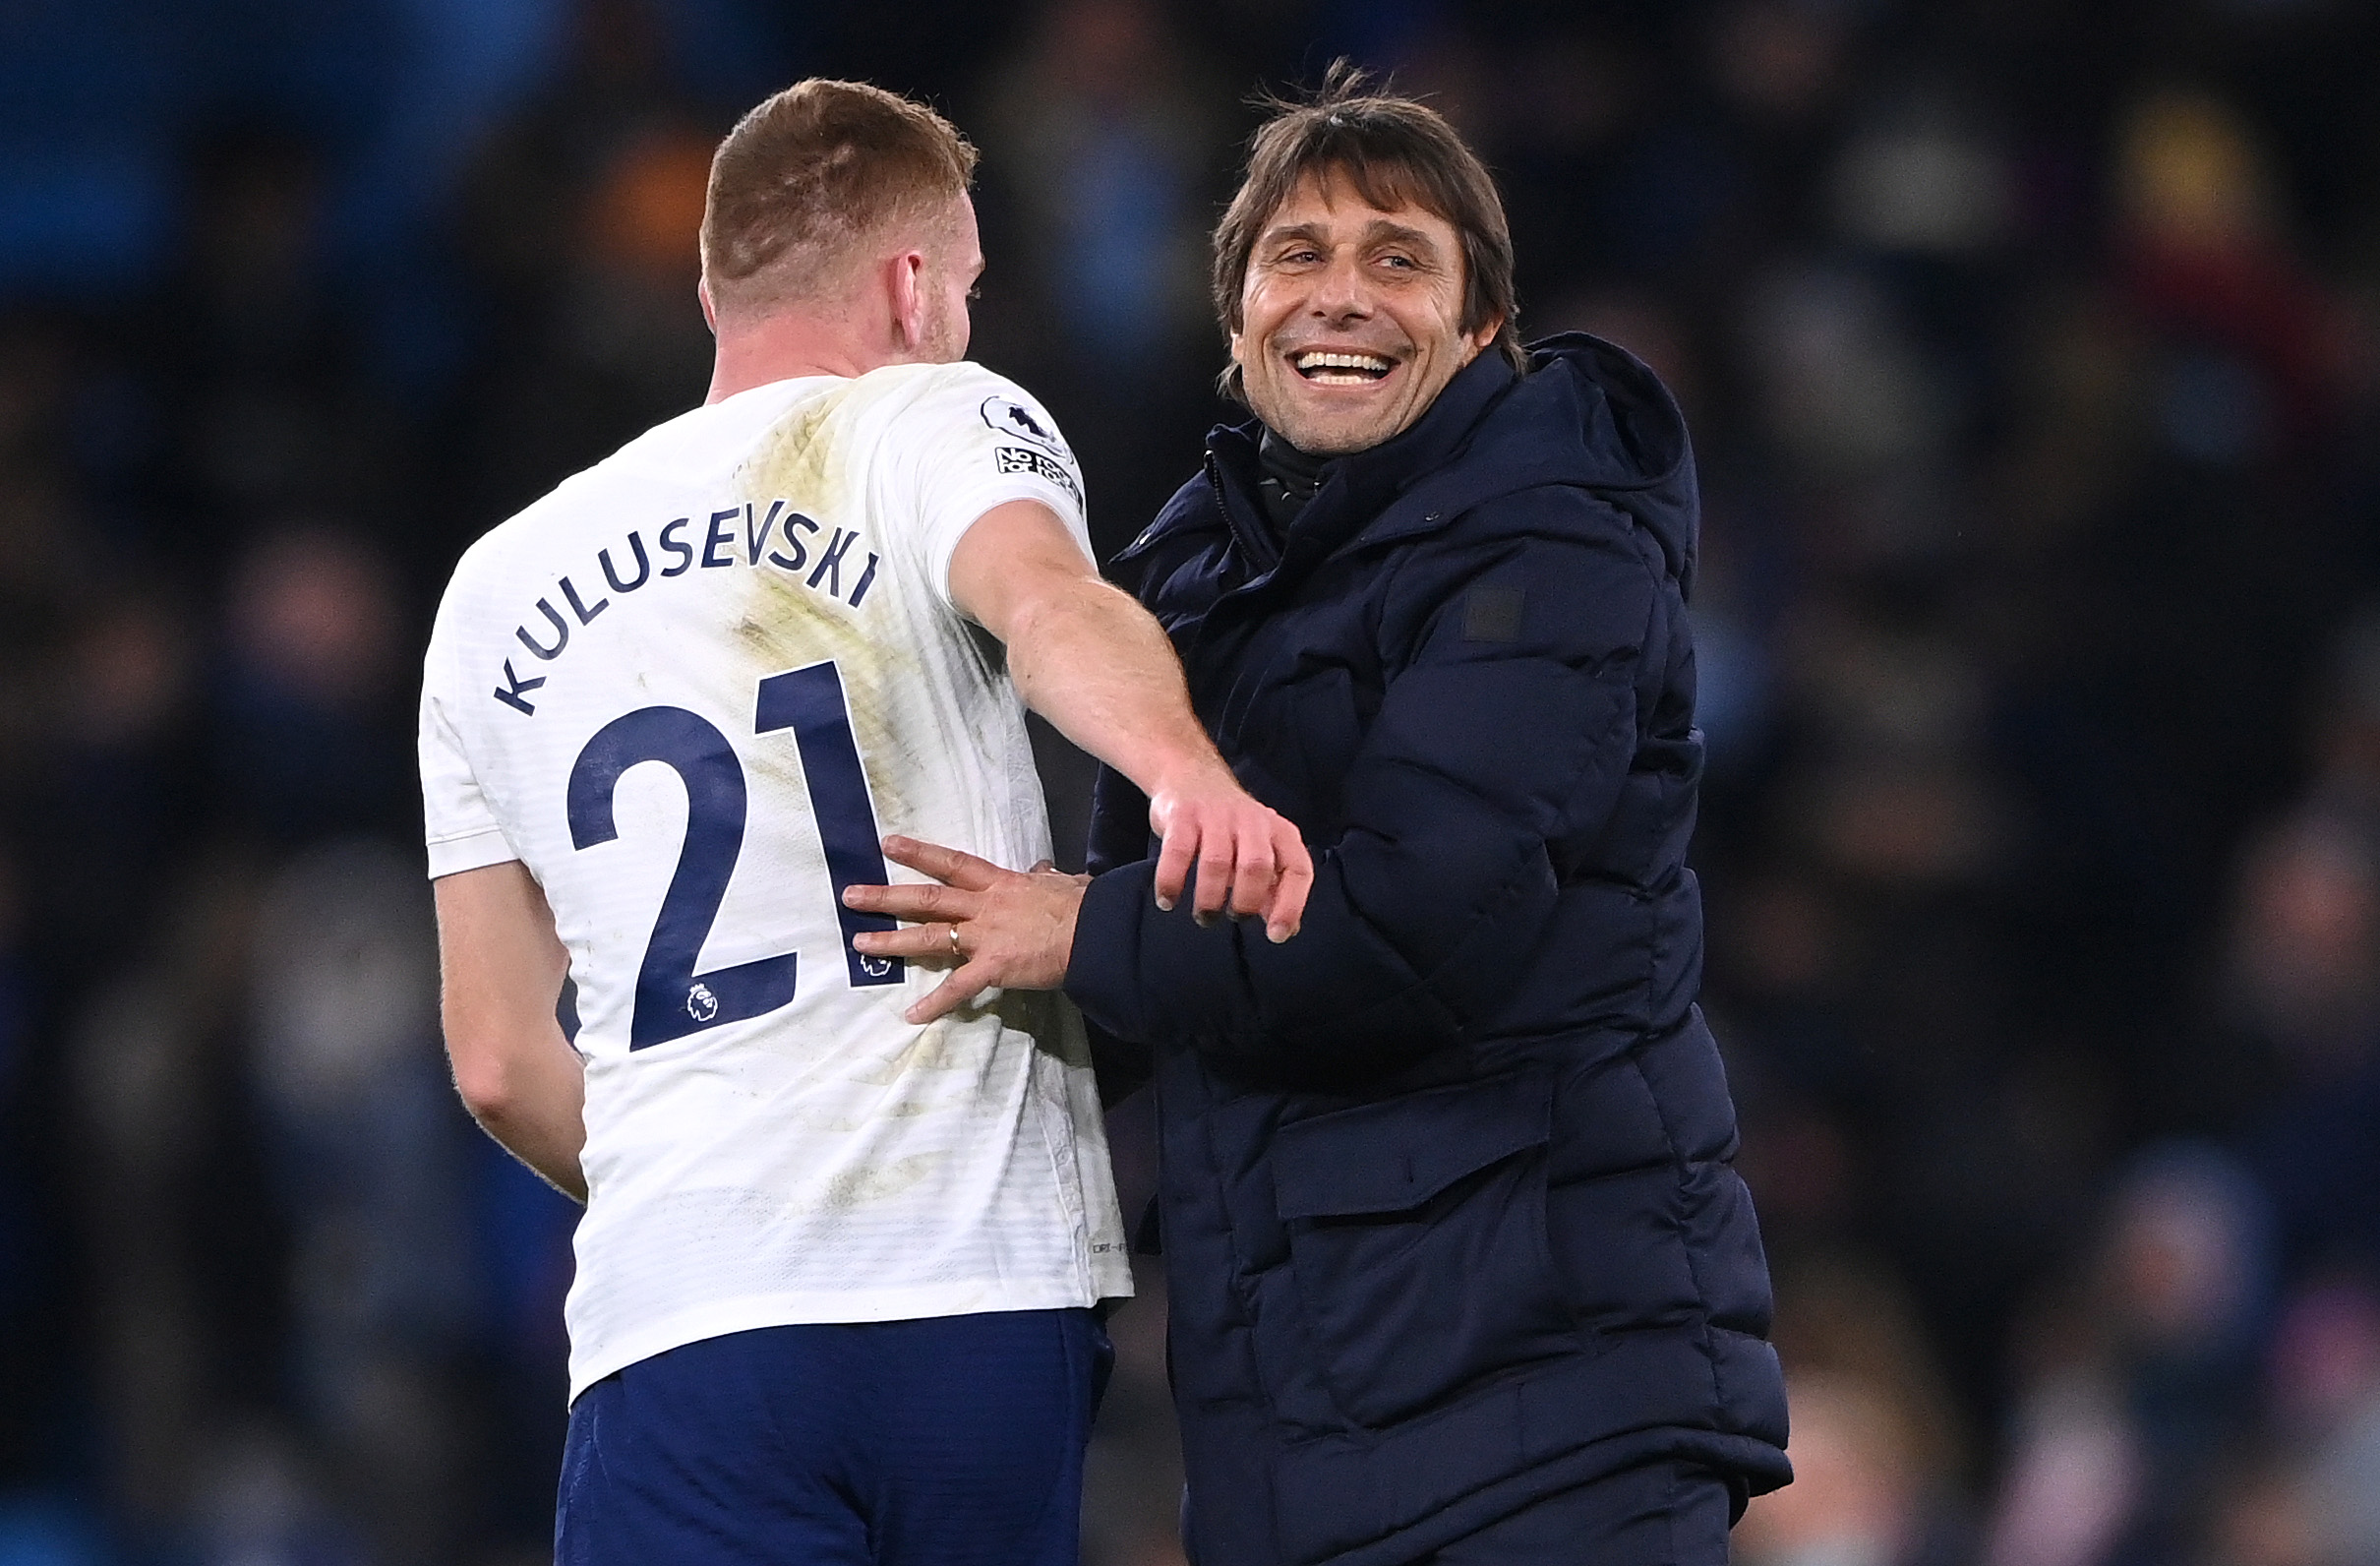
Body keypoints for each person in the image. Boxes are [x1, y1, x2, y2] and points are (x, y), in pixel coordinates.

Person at [845, 71, 1793, 1565]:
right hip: (1302, 1420)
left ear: (1483, 328)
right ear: (1238, 325)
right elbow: (1139, 996)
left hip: (1555, 1408)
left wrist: (1072, 928)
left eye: (1399, 259)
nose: (1340, 296)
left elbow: (1420, 921)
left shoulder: (1555, 541)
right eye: (1298, 257)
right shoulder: (1194, 587)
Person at [417, 79, 1310, 1566]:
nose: (961, 316)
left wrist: (706, 1187)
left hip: (679, 1320)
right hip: (959, 1282)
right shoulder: (926, 418)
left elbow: (498, 1058)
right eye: (961, 285)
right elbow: (1048, 605)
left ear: (715, 286)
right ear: (911, 285)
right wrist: (1183, 773)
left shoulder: (493, 588)